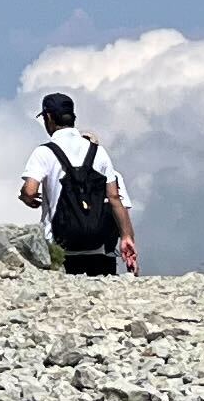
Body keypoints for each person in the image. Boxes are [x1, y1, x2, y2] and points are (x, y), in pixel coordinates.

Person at [22, 89, 138, 277]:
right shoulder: (98, 152)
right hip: (97, 247)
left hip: (59, 248)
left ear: (49, 117)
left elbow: (29, 191)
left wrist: (27, 198)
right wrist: (126, 236)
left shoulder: (44, 152)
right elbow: (115, 197)